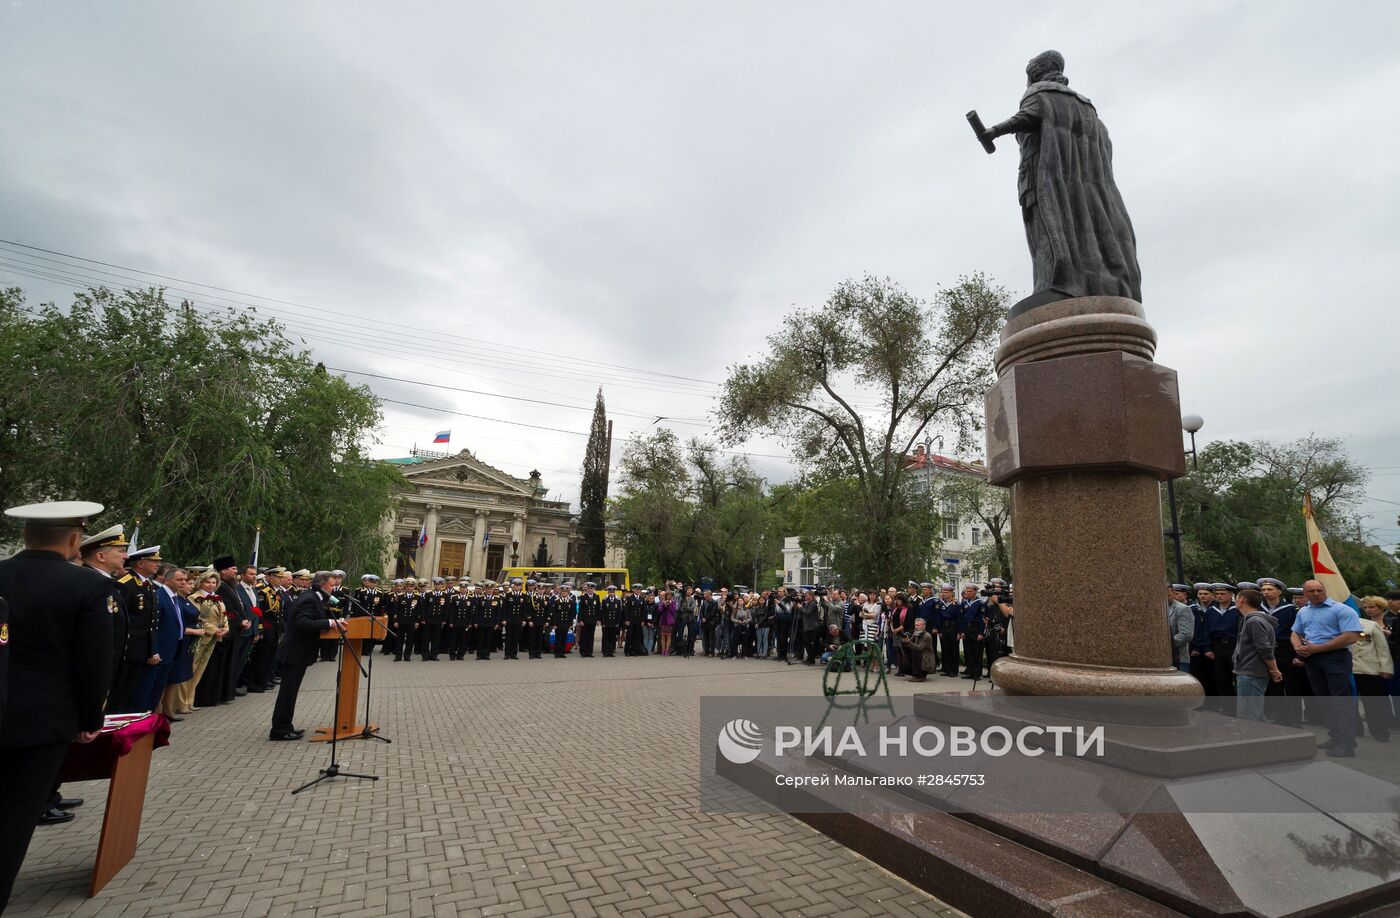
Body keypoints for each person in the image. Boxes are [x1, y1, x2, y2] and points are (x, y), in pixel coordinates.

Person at [0, 501, 112, 912]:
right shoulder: (87, 587)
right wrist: (90, 719)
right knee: (14, 816)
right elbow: (93, 664)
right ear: (74, 540)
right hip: (43, 722)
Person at [271, 571, 347, 741]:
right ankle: (279, 730)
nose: (334, 588)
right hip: (294, 653)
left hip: (299, 653)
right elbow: (302, 623)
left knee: (290, 692)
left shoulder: (315, 598)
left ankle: (285, 726)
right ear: (322, 585)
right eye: (331, 585)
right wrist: (330, 623)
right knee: (288, 693)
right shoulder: (309, 599)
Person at [1292, 580, 1364, 757]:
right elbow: (1295, 632)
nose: (1316, 593)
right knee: (1324, 700)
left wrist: (1317, 648)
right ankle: (1335, 736)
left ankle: (1347, 744)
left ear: (1325, 590)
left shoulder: (1342, 610)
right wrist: (1297, 647)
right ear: (1305, 593)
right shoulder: (1303, 611)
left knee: (1341, 701)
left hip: (1336, 658)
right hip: (1313, 659)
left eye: (1319, 590)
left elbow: (1351, 637)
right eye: (1311, 591)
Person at [1231, 589, 1281, 722]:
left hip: (1251, 673)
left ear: (1241, 600)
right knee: (1254, 712)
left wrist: (1274, 669)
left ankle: (1253, 740)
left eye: (1236, 598)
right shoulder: (1253, 620)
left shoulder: (1255, 621)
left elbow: (1264, 648)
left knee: (1248, 713)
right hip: (1250, 672)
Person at [1354, 597, 1394, 742]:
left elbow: (1382, 648)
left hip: (1369, 669)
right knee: (1350, 703)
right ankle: (1355, 729)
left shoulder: (1370, 625)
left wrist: (1386, 668)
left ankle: (1380, 731)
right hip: (1348, 669)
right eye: (1366, 608)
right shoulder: (1337, 626)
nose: (1368, 610)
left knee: (1375, 702)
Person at [1167, 584, 1193, 674]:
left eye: (1169, 595)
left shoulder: (1182, 609)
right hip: (1162, 660)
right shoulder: (1156, 608)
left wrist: (1165, 645)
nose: (1166, 598)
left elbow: (1186, 635)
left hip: (1179, 658)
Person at [901, 618, 936, 682]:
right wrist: (905, 640)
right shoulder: (916, 632)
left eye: (918, 625)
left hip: (926, 658)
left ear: (923, 626)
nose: (916, 627)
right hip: (920, 656)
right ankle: (915, 674)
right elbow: (910, 641)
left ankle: (920, 675)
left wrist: (908, 642)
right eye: (915, 625)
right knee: (906, 650)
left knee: (916, 652)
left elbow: (919, 648)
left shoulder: (927, 636)